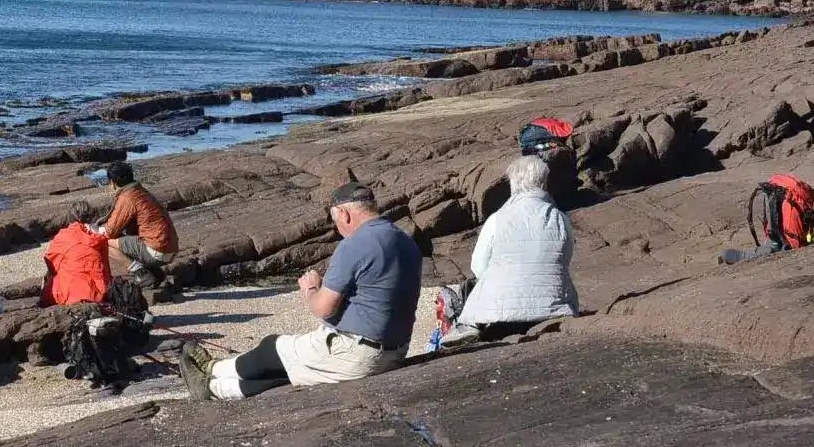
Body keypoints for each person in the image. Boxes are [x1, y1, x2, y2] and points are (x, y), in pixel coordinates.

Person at [182, 183, 420, 400]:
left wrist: (311, 288)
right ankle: (216, 389)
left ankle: (211, 370)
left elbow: (323, 309)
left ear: (344, 214)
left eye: (335, 221)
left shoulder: (355, 244)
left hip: (357, 353)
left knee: (273, 348)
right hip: (395, 352)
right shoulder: (405, 240)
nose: (338, 229)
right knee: (290, 372)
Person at [433, 155, 578, 344]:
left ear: (512, 183)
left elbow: (478, 268)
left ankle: (466, 327)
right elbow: (564, 261)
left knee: (468, 290)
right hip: (555, 307)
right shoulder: (561, 219)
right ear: (544, 182)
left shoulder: (498, 218)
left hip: (498, 312)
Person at [97, 161, 178, 287]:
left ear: (112, 182)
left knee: (102, 242)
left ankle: (140, 273)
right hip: (171, 249)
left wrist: (95, 230)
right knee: (129, 238)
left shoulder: (128, 197)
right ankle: (155, 274)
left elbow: (110, 231)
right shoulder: (141, 192)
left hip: (157, 250)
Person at [42, 204, 112, 307]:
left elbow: (51, 265)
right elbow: (106, 269)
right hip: (100, 294)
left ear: (70, 219)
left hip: (71, 296)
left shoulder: (63, 236)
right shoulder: (99, 238)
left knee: (51, 277)